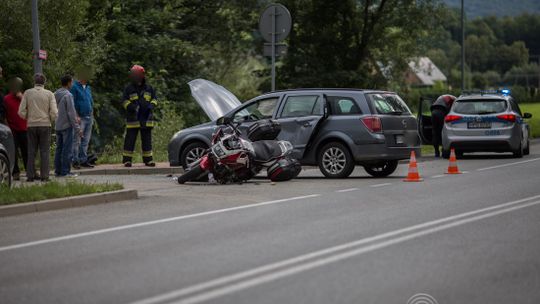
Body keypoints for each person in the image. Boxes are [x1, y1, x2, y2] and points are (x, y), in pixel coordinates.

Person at [18, 73, 58, 182]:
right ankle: (44, 176)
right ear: (44, 82)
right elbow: (54, 112)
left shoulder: (27, 93)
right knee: (44, 151)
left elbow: (21, 111)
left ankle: (30, 176)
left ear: (34, 82)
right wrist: (50, 119)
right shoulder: (49, 94)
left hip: (31, 125)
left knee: (31, 151)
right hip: (45, 125)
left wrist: (28, 117)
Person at [121, 65, 157, 167]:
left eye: (135, 74)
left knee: (147, 141)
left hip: (146, 119)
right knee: (130, 140)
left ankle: (148, 160)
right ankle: (127, 160)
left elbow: (155, 99)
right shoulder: (129, 88)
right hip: (133, 119)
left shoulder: (149, 88)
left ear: (141, 75)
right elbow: (124, 101)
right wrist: (132, 107)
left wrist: (151, 106)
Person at [54, 75, 81, 177]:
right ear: (69, 83)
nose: (72, 84)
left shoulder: (55, 94)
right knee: (67, 149)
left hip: (58, 125)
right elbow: (71, 113)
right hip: (66, 126)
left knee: (59, 149)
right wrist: (77, 128)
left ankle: (58, 171)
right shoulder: (68, 95)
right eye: (72, 82)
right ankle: (65, 171)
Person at [3, 77, 28, 180]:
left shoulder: (24, 97)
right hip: (12, 129)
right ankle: (15, 172)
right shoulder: (6, 99)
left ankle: (29, 171)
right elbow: (4, 114)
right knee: (14, 152)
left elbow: (30, 108)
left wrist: (22, 97)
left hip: (24, 128)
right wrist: (7, 125)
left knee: (26, 151)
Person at [71, 67, 94, 169]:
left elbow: (90, 101)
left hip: (89, 117)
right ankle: (75, 160)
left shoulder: (88, 88)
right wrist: (76, 115)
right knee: (77, 140)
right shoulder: (75, 87)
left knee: (86, 141)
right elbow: (72, 102)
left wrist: (92, 113)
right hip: (80, 117)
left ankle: (83, 159)